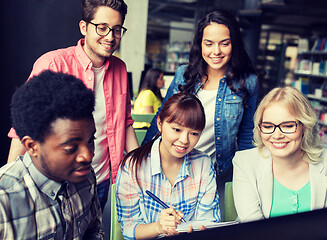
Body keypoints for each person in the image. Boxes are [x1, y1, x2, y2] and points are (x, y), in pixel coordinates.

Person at [7, 0, 138, 210]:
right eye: (102, 28)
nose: (110, 37)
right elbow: (24, 126)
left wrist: (137, 170)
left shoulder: (120, 68)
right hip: (56, 182)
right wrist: (9, 184)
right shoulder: (53, 63)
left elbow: (125, 121)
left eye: (116, 29)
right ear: (84, 27)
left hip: (101, 179)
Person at [142, 9, 259, 213]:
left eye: (224, 43)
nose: (216, 51)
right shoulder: (183, 75)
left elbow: (248, 134)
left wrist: (249, 179)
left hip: (216, 174)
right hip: (171, 168)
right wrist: (141, 158)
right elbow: (162, 118)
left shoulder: (248, 82)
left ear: (234, 44)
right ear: (200, 44)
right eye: (209, 43)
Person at [0, 70, 103, 239]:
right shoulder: (4, 203)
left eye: (91, 140)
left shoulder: (86, 176)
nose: (88, 156)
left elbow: (93, 231)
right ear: (32, 146)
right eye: (70, 148)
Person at [116, 93, 220, 239]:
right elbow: (128, 229)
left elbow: (209, 221)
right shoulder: (132, 166)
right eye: (176, 129)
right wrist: (158, 227)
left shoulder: (204, 164)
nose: (184, 140)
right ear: (160, 123)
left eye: (194, 133)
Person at [232, 86, 326, 223]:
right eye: (268, 126)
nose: (277, 135)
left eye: (288, 126)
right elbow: (253, 229)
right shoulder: (245, 162)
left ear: (304, 126)